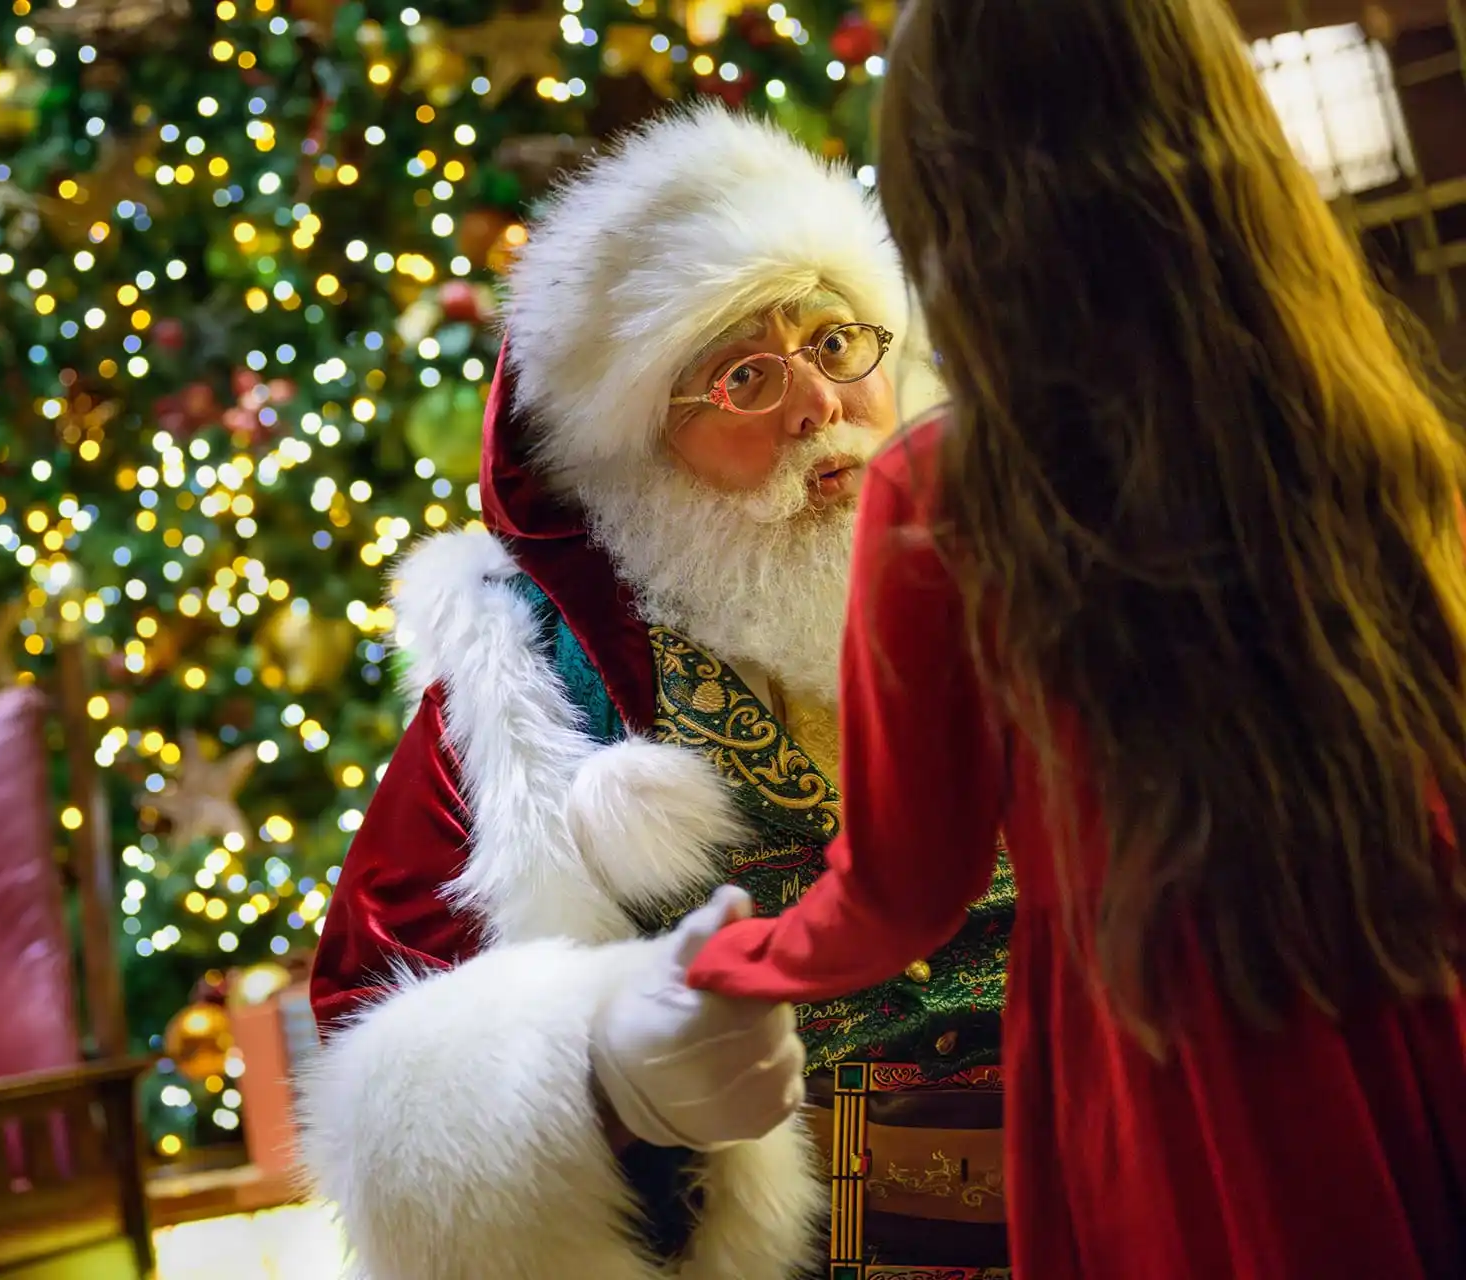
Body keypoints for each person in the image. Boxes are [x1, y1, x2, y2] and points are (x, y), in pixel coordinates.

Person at [686, 0, 1466, 1275]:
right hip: (1417, 973)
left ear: (958, 196)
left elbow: (900, 895)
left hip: (1185, 1059)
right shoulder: (1356, 410)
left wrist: (728, 959)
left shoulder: (951, 493)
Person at [298, 103, 1004, 1280]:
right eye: (742, 375)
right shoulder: (532, 691)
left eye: (834, 344)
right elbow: (377, 1041)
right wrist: (593, 1064)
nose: (817, 406)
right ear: (636, 453)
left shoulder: (1031, 581)